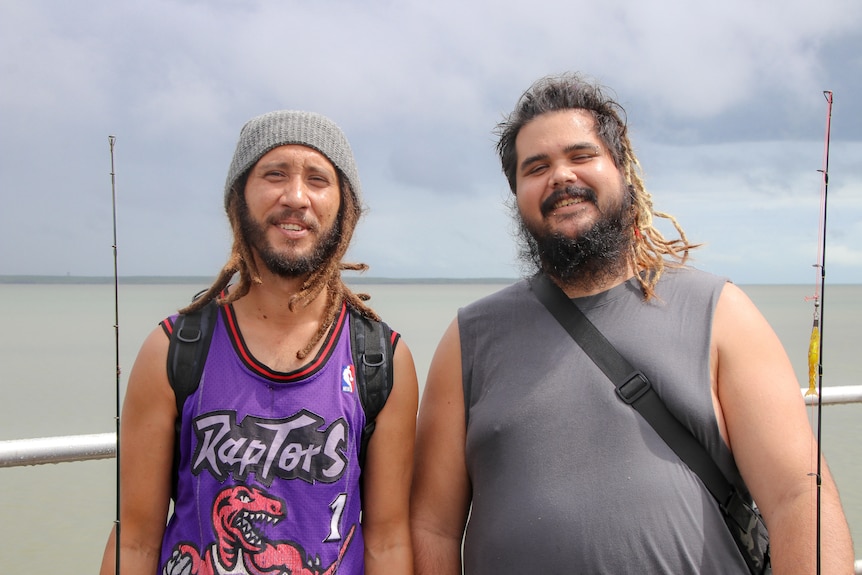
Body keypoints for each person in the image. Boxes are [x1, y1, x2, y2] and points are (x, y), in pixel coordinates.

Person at [410, 73, 854, 574]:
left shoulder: (720, 311)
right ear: (516, 195)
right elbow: (433, 527)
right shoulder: (470, 338)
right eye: (536, 167)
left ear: (622, 171)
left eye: (581, 156)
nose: (560, 176)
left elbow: (798, 495)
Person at [100, 110, 418, 574]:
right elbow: (136, 540)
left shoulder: (380, 359)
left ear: (343, 208)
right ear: (239, 200)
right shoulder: (174, 349)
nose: (296, 197)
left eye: (317, 179)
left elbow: (388, 543)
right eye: (274, 174)